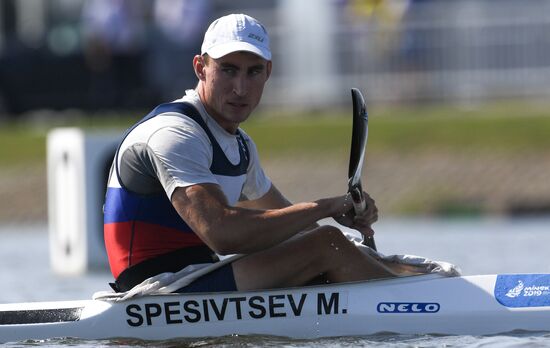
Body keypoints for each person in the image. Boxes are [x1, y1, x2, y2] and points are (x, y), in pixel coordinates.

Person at [103, 13, 395, 294]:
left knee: (338, 248)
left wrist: (355, 230)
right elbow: (222, 234)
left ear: (267, 72)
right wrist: (327, 208)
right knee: (328, 245)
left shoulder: (240, 144)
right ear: (200, 68)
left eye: (253, 71)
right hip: (154, 292)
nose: (240, 88)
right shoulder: (175, 133)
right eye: (228, 70)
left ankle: (408, 293)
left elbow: (299, 231)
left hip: (197, 280)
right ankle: (411, 306)